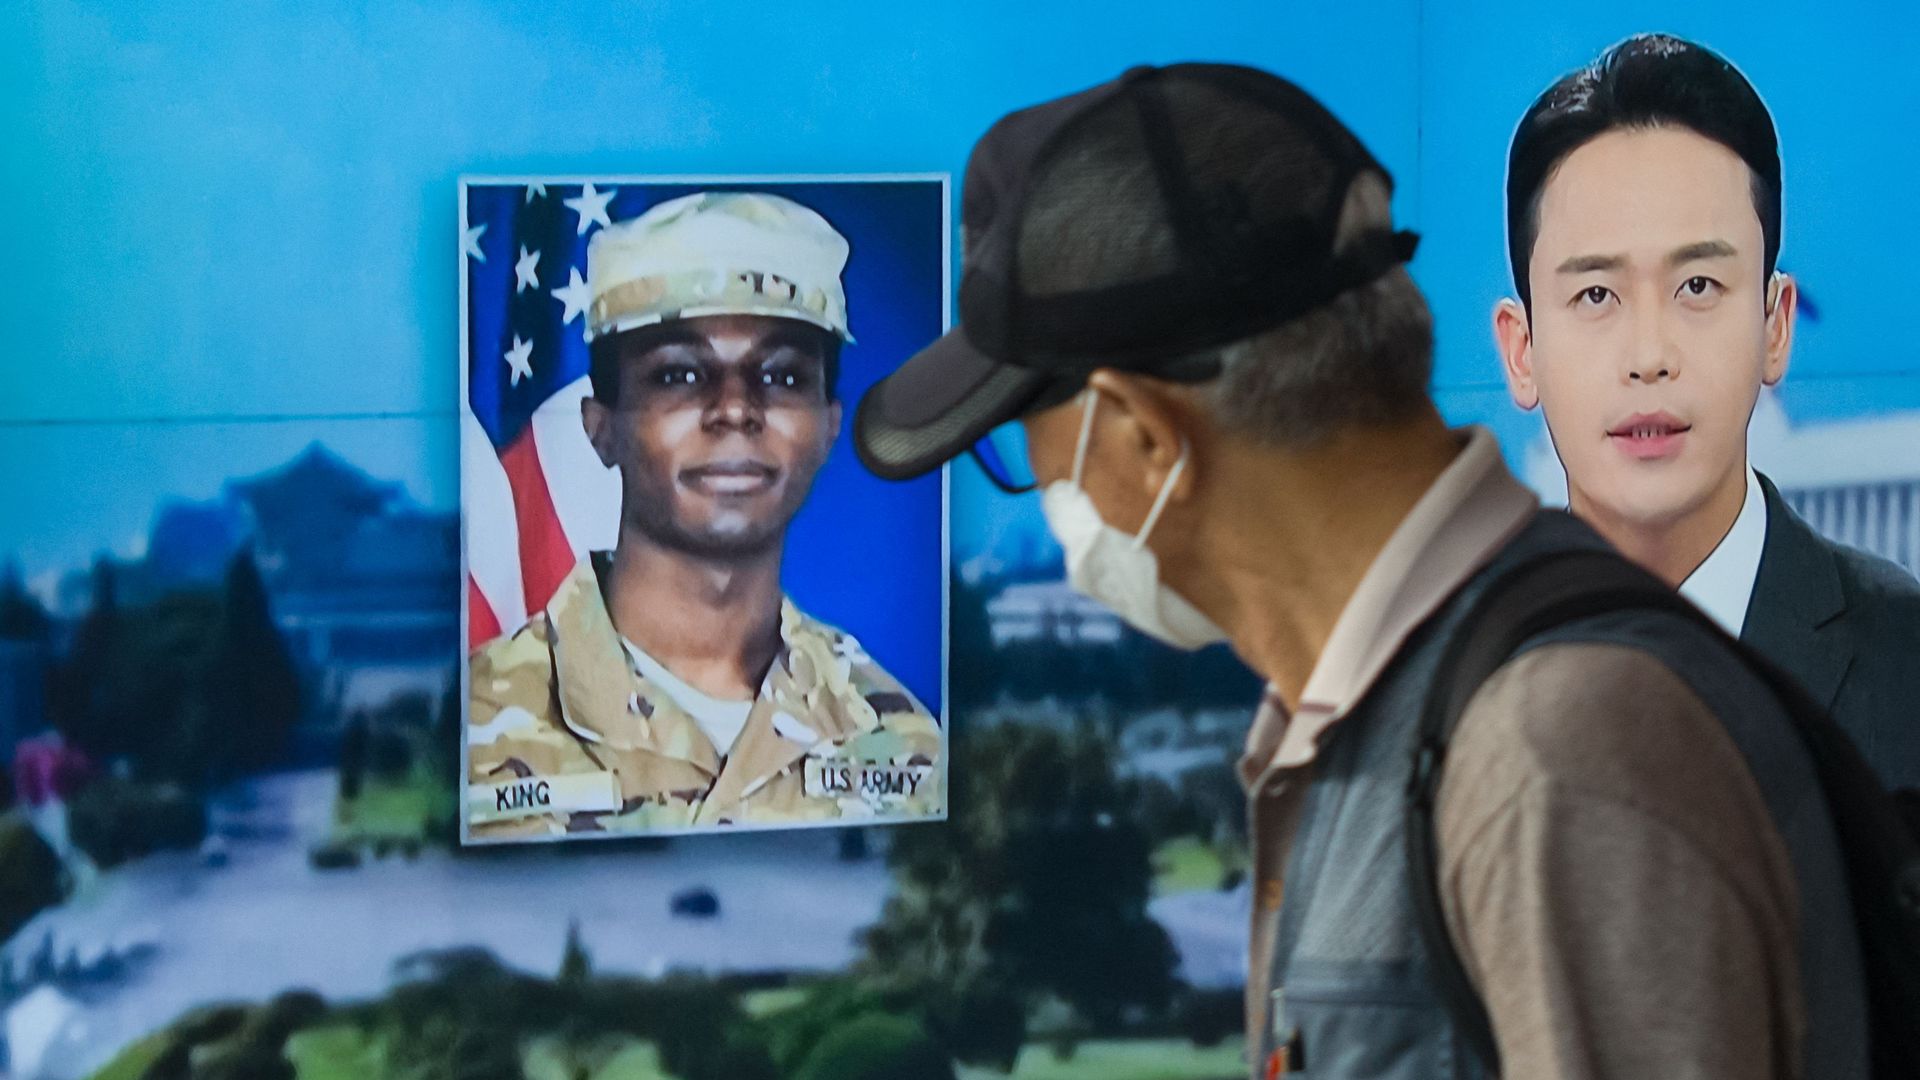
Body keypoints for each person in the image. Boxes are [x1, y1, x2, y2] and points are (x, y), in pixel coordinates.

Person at [855, 64, 1866, 1078]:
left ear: (1144, 438)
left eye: (1024, 445)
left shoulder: (1551, 746)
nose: (1041, 491)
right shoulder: (1359, 717)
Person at [1493, 34, 1920, 790]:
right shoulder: (1436, 687)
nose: (1650, 353)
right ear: (1522, 350)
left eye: (1697, 287)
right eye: (1597, 295)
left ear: (1775, 326)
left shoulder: (1906, 662)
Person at [466, 191, 940, 841]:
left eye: (780, 376)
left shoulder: (901, 736)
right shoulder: (477, 720)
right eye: (680, 375)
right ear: (600, 429)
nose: (735, 410)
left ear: (829, 429)